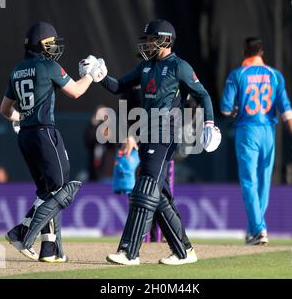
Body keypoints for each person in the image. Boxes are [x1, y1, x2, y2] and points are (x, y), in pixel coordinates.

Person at [80, 19, 221, 265]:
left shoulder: (180, 67)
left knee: (144, 189)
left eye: (151, 39)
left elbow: (203, 94)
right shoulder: (145, 66)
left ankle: (129, 251)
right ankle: (184, 251)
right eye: (145, 39)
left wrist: (209, 123)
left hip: (166, 134)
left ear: (165, 40)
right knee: (159, 196)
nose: (146, 44)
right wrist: (98, 75)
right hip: (146, 134)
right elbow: (118, 86)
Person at [0, 21, 104, 263]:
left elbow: (5, 109)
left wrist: (20, 118)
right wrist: (91, 75)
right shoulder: (49, 66)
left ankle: (50, 249)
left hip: (25, 136)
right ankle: (22, 231)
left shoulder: (16, 70)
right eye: (51, 43)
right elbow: (77, 91)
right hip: (45, 133)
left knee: (47, 191)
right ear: (41, 44)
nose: (55, 47)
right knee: (61, 189)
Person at [220, 37, 292, 245]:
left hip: (247, 130)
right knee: (264, 181)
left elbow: (225, 108)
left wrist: (234, 111)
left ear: (244, 51)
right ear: (262, 52)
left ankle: (258, 229)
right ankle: (254, 229)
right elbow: (286, 110)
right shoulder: (275, 76)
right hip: (268, 131)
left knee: (249, 181)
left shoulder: (237, 75)